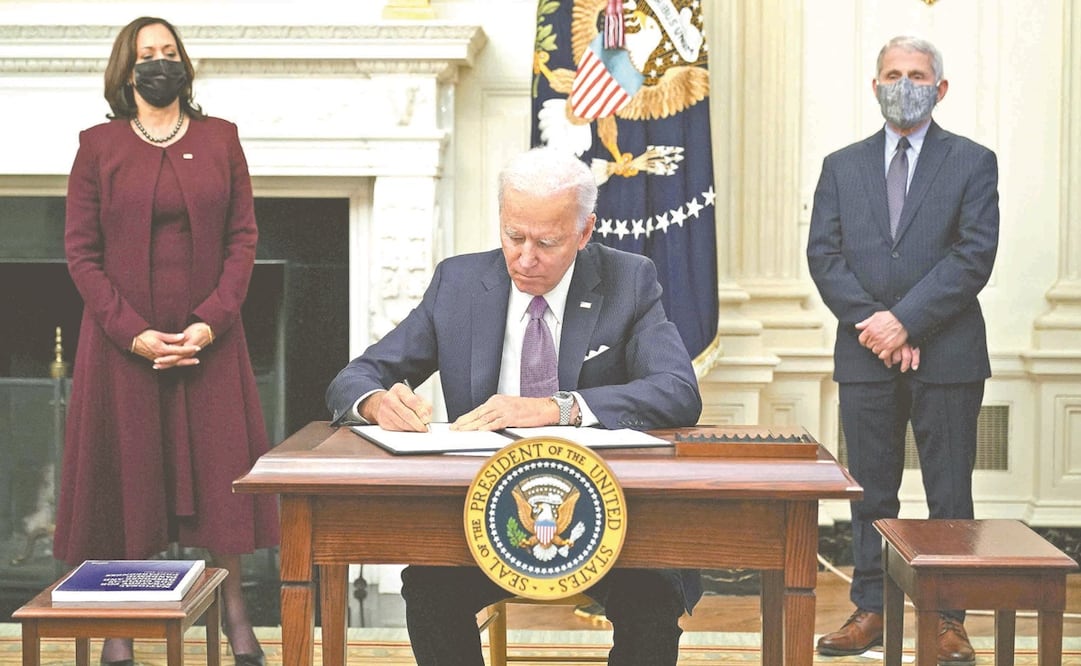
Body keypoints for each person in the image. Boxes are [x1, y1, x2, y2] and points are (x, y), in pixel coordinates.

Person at [326, 146, 703, 666]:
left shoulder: (629, 280)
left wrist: (557, 408)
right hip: (483, 512)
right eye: (514, 236)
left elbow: (678, 390)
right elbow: (356, 377)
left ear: (585, 231)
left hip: (607, 514)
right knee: (428, 587)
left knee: (655, 593)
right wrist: (374, 403)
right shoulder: (458, 284)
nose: (526, 258)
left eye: (547, 243)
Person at [52, 17, 279, 666]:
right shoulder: (97, 147)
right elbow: (81, 254)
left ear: (185, 64)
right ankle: (118, 634)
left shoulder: (221, 139)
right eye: (147, 55)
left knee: (220, 487)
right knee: (125, 487)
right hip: (123, 351)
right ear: (127, 72)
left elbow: (243, 239)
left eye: (169, 52)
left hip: (210, 342)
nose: (159, 63)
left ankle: (238, 624)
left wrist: (209, 322)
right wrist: (135, 334)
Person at [807, 36, 998, 666]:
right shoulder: (842, 165)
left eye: (917, 75)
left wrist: (908, 324)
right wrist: (877, 326)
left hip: (948, 356)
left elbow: (973, 255)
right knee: (869, 491)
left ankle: (948, 620)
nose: (904, 83)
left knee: (949, 493)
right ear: (875, 85)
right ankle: (871, 610)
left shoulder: (973, 162)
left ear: (939, 89)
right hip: (865, 356)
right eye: (893, 74)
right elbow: (824, 256)